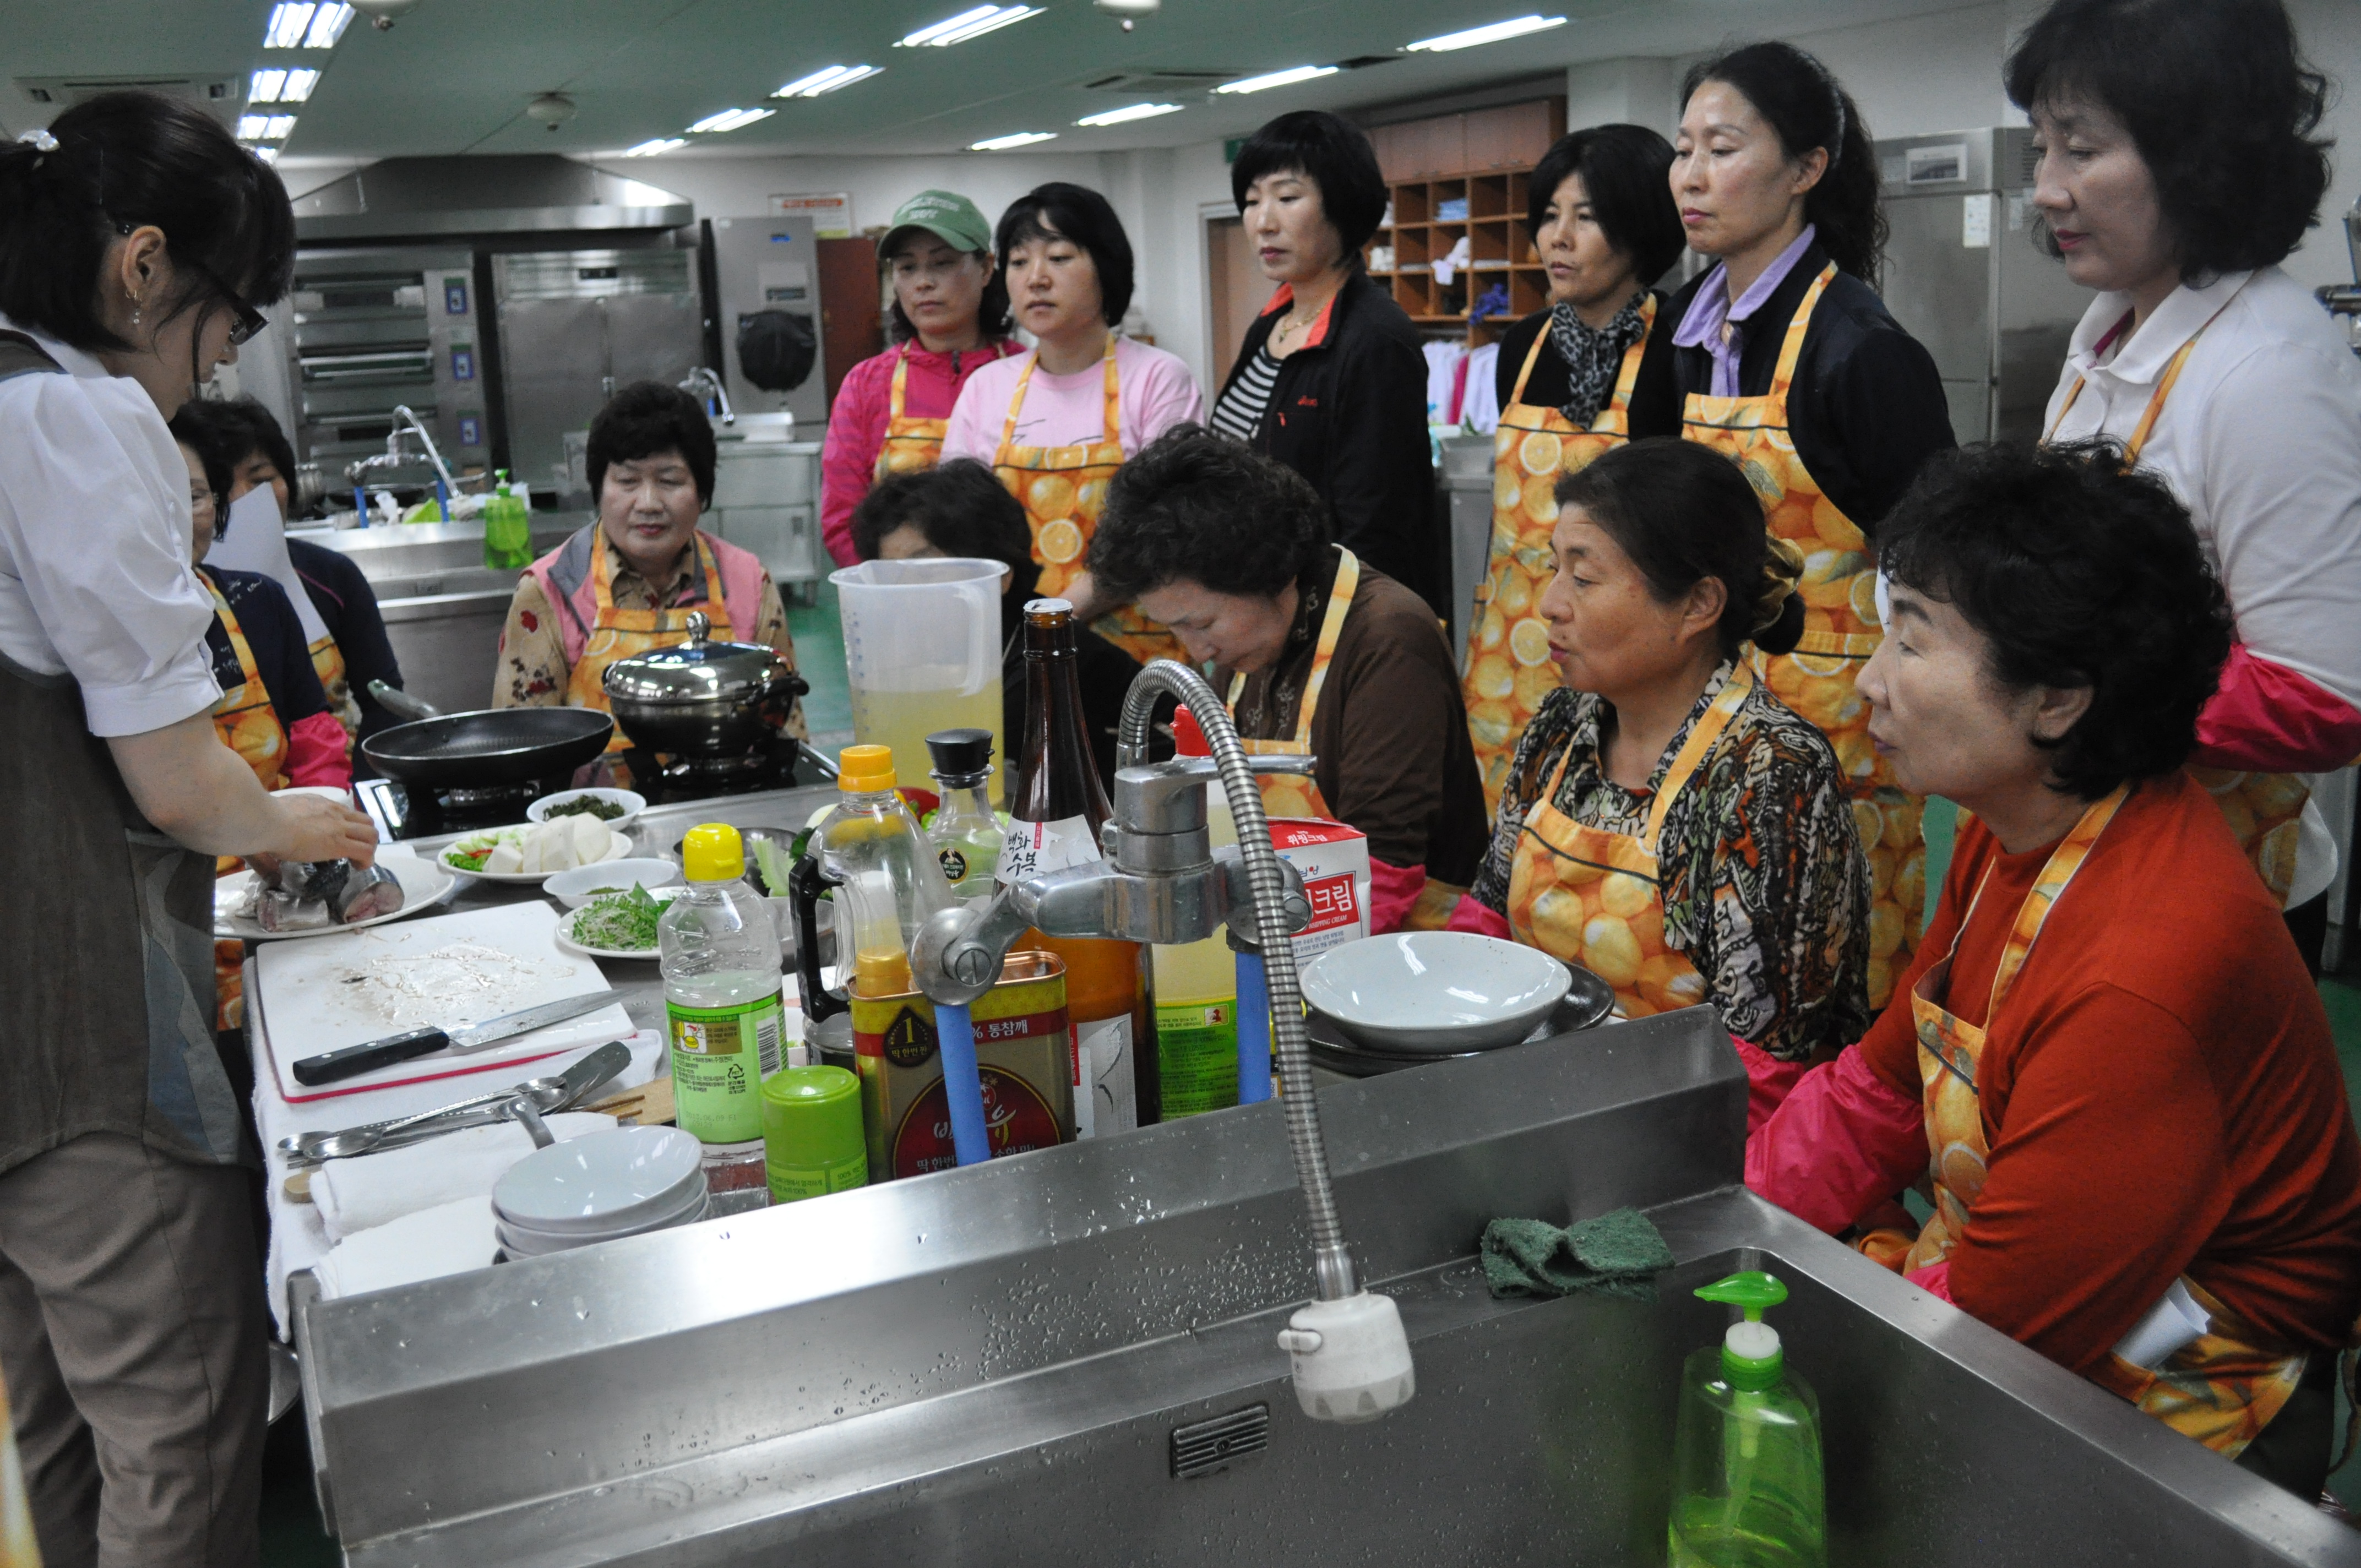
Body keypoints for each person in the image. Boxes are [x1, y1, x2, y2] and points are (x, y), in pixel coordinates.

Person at [1750, 441, 2361, 1499]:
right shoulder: (2015, 827)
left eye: (1911, 641)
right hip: (2026, 1279)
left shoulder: (2142, 974)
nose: (1870, 680)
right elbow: (1883, 1086)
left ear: (2057, 699)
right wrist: (1736, 1225)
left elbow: (1988, 1326)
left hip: (2188, 1390)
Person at [0, 91, 378, 1568]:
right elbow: (177, 786)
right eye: (225, 332)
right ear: (143, 267)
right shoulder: (74, 413)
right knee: (183, 1416)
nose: (209, 372)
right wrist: (310, 824)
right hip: (72, 1026)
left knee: (55, 1403)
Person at [2010, 0, 2361, 970]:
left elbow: (2319, 698)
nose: (2044, 189)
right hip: (2092, 851)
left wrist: (2049, 685)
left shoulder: (2267, 369)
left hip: (2212, 891)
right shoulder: (2109, 332)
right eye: (2040, 148)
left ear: (2197, 155)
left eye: (2078, 150)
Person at [1667, 42, 1957, 1010]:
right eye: (1682, 150)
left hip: (1839, 737)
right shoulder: (1689, 333)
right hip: (1709, 717)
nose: (1691, 176)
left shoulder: (1861, 351)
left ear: (1804, 170)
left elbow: (1938, 576)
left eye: (1721, 147)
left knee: (1829, 986)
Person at [1455, 439, 1869, 1110]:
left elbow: (1761, 1073)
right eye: (1552, 569)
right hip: (1531, 1106)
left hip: (1691, 1141)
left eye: (1583, 579)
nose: (1550, 604)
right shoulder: (1563, 726)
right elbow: (1486, 922)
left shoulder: (1769, 777)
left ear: (1697, 605)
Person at [1089, 424, 1487, 932]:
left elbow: (1384, 866)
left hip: (1405, 944)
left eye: (1203, 624)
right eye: (1176, 629)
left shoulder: (1389, 639)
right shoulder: (1249, 645)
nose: (1199, 651)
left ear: (1268, 573)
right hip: (1276, 924)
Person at [1466, 123, 1688, 812]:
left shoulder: (1677, 347)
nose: (1556, 238)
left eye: (1586, 218)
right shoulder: (1521, 347)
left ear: (1640, 228)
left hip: (1622, 649)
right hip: (1511, 643)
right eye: (1549, 217)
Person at [942, 182, 1203, 665]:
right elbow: (958, 529)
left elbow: (1162, 529)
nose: (1036, 278)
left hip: (1134, 657)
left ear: (1106, 267)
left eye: (1059, 258)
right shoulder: (987, 388)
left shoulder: (1156, 378)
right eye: (1019, 263)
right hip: (1011, 652)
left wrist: (1057, 615)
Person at [496, 380, 806, 780]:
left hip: (728, 816)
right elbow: (522, 753)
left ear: (702, 491)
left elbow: (787, 737)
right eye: (627, 482)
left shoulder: (747, 583)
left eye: (670, 481)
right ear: (600, 489)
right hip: (593, 827)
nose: (648, 504)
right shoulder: (550, 590)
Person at [1209, 111, 1440, 611]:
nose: (1264, 221)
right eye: (1251, 202)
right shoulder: (1270, 325)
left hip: (1332, 617)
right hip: (1259, 605)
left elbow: (1376, 529)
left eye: (1288, 198)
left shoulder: (1375, 338)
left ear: (1343, 203)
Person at [173, 412, 350, 1042]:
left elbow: (315, 738)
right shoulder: (91, 637)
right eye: (152, 492)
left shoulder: (258, 602)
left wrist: (325, 845)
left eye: (193, 494)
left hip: (282, 898)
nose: (176, 512)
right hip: (171, 922)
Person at [850, 458, 1136, 784]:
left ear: (999, 574)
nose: (905, 591)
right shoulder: (916, 656)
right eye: (892, 574)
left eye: (925, 569)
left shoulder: (1053, 659)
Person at [177, 395, 407, 757]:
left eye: (262, 480)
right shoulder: (164, 597)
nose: (244, 500)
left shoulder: (332, 576)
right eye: (219, 486)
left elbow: (385, 701)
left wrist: (356, 789)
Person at [819, 190, 1025, 569]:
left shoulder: (1029, 374)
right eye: (907, 267)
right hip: (901, 601)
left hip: (1021, 597)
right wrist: (894, 593)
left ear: (986, 268)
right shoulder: (866, 386)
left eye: (942, 264)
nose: (923, 283)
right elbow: (842, 519)